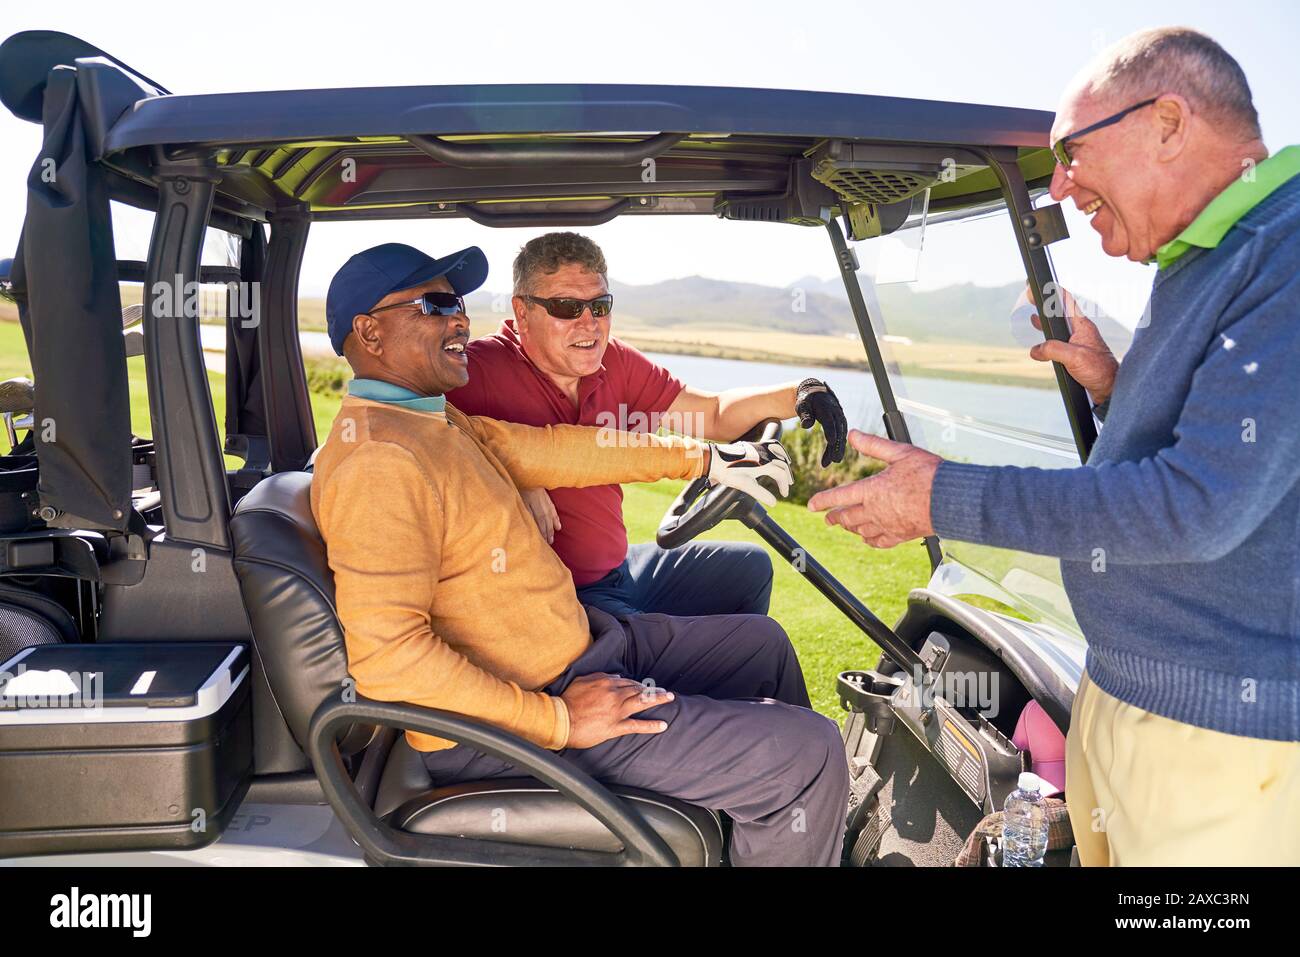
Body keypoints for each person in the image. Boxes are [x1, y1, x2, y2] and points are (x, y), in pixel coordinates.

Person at [806, 27, 1299, 866]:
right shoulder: (1205, 257)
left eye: (1072, 153)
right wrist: (1114, 389)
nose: (1062, 185)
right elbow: (1223, 461)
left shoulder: (1282, 255)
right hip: (1126, 699)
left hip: (1217, 742)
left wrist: (940, 496)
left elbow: (1198, 506)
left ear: (1169, 123)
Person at [312, 241, 848, 866]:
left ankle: (764, 835)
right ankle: (784, 798)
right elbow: (388, 663)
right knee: (810, 754)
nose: (458, 318)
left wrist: (703, 457)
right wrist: (559, 719)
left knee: (763, 646)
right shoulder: (380, 459)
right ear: (369, 334)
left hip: (576, 648)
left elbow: (561, 448)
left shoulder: (434, 421)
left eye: (456, 303)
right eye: (434, 305)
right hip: (515, 722)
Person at [446, 232, 847, 618]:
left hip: (619, 572)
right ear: (522, 311)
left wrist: (798, 393)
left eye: (599, 306)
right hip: (562, 602)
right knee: (755, 642)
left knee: (751, 568)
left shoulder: (615, 361)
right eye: (567, 307)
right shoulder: (475, 370)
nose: (589, 324)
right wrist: (516, 477)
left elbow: (711, 414)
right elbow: (431, 441)